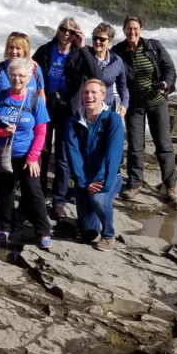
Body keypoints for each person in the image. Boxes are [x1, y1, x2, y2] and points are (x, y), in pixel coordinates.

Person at [33, 16, 100, 217]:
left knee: (62, 157)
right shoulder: (46, 49)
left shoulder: (79, 54)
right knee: (42, 153)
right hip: (45, 108)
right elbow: (29, 69)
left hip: (68, 111)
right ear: (58, 29)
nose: (66, 34)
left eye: (71, 31)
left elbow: (95, 73)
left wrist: (83, 47)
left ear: (77, 34)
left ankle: (59, 201)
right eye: (63, 29)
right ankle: (39, 194)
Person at [111, 15, 177, 202]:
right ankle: (133, 185)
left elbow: (169, 68)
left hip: (157, 102)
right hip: (133, 105)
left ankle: (171, 185)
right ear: (123, 29)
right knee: (135, 146)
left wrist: (165, 83)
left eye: (135, 28)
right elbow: (106, 67)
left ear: (141, 29)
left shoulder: (153, 46)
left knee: (164, 145)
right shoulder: (117, 50)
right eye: (128, 28)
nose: (132, 32)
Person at [0, 58, 52, 250]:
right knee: (5, 191)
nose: (16, 79)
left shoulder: (35, 100)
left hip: (28, 155)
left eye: (21, 75)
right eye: (13, 75)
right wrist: (3, 132)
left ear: (29, 78)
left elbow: (42, 131)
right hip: (4, 153)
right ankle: (5, 227)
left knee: (33, 191)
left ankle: (43, 231)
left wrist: (34, 157)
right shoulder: (0, 96)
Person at [64, 79, 125, 251]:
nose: (89, 96)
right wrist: (84, 184)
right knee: (88, 234)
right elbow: (73, 157)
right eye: (85, 92)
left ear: (103, 96)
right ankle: (95, 213)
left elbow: (114, 155)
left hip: (107, 178)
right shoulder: (73, 123)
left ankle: (108, 234)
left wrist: (105, 183)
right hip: (84, 182)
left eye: (93, 92)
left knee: (98, 199)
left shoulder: (112, 119)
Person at [0, 32, 46, 104]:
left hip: (28, 113)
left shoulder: (35, 69)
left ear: (25, 50)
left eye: (18, 48)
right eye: (11, 47)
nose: (14, 51)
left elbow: (41, 95)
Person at [85, 23, 128, 115]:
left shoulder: (116, 61)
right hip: (86, 109)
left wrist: (124, 104)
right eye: (95, 38)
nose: (98, 41)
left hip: (108, 108)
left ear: (110, 41)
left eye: (102, 39)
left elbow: (122, 86)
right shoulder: (84, 56)